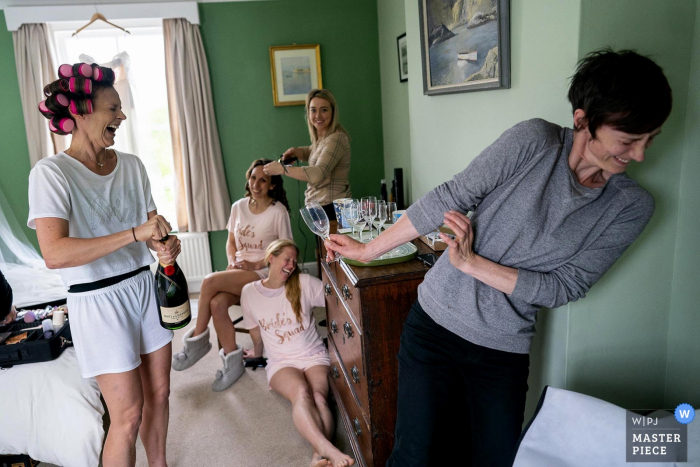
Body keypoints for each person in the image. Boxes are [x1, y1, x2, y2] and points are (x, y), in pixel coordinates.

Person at [324, 49, 672, 466]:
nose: (640, 156)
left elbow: (564, 287)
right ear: (583, 120)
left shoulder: (630, 206)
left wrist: (473, 264)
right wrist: (365, 250)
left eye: (650, 139)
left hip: (502, 352)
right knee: (414, 457)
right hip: (433, 328)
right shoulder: (535, 141)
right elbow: (450, 196)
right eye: (630, 139)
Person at [29, 63, 180, 467]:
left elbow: (152, 229)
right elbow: (54, 253)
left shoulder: (131, 165)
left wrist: (165, 245)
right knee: (127, 415)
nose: (121, 116)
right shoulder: (51, 173)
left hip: (144, 291)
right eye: (112, 108)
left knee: (161, 394)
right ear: (80, 112)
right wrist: (135, 233)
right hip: (97, 303)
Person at [172, 159, 293, 391]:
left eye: (263, 180)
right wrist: (232, 262)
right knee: (217, 303)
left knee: (208, 282)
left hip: (265, 274)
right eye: (253, 178)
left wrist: (254, 263)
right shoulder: (238, 207)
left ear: (272, 185)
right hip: (240, 272)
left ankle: (198, 339)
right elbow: (230, 243)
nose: (256, 184)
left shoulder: (278, 212)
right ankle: (232, 363)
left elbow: (286, 252)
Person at [240, 239, 354, 467]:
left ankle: (318, 457)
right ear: (271, 257)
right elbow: (255, 333)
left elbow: (338, 299)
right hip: (281, 362)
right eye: (287, 259)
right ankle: (327, 449)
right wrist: (256, 353)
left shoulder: (303, 283)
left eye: (294, 261)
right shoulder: (249, 293)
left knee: (320, 397)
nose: (291, 265)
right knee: (301, 393)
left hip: (313, 355)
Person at [263, 89, 351, 220]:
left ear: (333, 112)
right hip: (323, 209)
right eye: (313, 110)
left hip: (332, 210)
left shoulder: (336, 139)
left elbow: (317, 173)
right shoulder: (324, 138)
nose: (318, 116)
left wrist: (282, 169)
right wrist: (298, 151)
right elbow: (317, 152)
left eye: (324, 110)